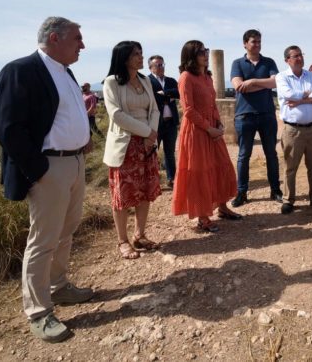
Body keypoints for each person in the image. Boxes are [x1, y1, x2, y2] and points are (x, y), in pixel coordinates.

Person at [0, 16, 94, 343]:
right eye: (77, 38)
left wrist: (82, 139)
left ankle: (59, 287)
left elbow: (65, 113)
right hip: (50, 168)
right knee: (44, 238)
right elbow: (8, 129)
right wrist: (39, 170)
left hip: (75, 163)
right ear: (55, 38)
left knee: (67, 229)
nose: (82, 45)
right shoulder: (20, 71)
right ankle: (38, 311)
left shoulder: (65, 71)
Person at [102, 41, 162, 260]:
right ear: (124, 57)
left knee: (145, 190)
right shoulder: (111, 82)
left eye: (141, 53)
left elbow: (154, 109)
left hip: (146, 144)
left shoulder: (145, 80)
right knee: (122, 195)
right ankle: (122, 240)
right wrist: (147, 131)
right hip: (125, 145)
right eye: (136, 54)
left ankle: (140, 234)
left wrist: (150, 135)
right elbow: (116, 114)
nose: (140, 57)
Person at [173, 40, 242, 231]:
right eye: (201, 52)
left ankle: (222, 207)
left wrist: (218, 123)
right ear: (191, 56)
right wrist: (208, 128)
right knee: (200, 172)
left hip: (212, 129)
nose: (205, 55)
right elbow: (188, 110)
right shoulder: (186, 77)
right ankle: (202, 216)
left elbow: (212, 104)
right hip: (197, 131)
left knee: (221, 165)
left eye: (206, 51)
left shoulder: (207, 77)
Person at [229, 29, 283, 207]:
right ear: (245, 43)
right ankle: (242, 192)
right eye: (254, 42)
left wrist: (251, 82)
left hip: (267, 114)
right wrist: (263, 84)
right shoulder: (237, 63)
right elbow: (238, 86)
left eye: (259, 41)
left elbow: (275, 82)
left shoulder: (269, 62)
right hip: (245, 116)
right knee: (244, 156)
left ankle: (275, 190)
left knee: (271, 154)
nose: (257, 45)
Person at [275, 45, 312, 214]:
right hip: (293, 131)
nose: (299, 58)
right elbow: (288, 94)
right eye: (295, 56)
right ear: (287, 60)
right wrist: (306, 96)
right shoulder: (282, 77)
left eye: (301, 55)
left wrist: (300, 100)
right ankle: (288, 200)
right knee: (290, 166)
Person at [148, 54, 180, 189]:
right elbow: (153, 97)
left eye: (162, 65)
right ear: (151, 68)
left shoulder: (171, 80)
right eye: (158, 65)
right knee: (152, 153)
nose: (161, 67)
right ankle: (153, 181)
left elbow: (178, 93)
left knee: (170, 152)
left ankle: (172, 179)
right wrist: (168, 96)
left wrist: (164, 93)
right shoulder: (147, 81)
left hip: (170, 123)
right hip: (156, 124)